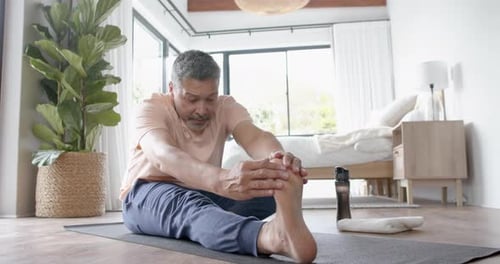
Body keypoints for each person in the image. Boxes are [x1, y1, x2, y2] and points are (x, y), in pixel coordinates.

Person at [120, 50, 317, 263]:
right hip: (146, 192)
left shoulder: (225, 106)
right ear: (171, 89)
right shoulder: (151, 108)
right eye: (192, 99)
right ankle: (269, 237)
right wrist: (221, 180)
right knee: (191, 207)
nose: (202, 109)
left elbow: (255, 137)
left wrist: (279, 161)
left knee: (264, 187)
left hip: (203, 190)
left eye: (210, 99)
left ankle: (215, 224)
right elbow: (163, 154)